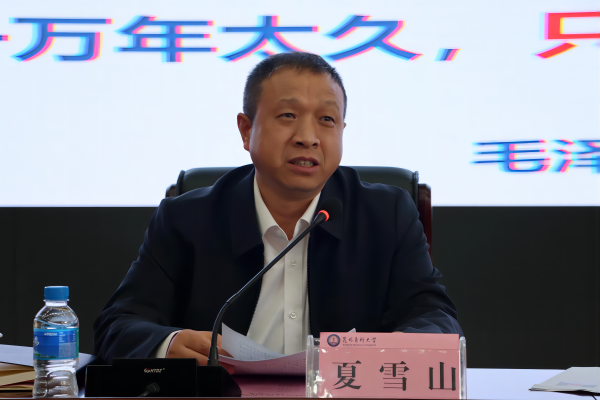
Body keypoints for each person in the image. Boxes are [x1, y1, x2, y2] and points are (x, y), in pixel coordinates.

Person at [93, 52, 463, 370]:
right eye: (288, 115)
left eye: (327, 119)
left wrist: (404, 347)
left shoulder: (386, 214)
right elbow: (118, 326)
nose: (308, 137)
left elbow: (434, 316)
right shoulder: (187, 219)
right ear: (246, 130)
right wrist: (168, 344)